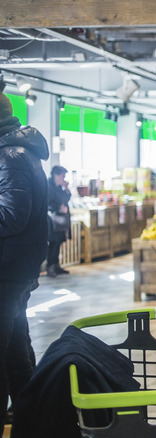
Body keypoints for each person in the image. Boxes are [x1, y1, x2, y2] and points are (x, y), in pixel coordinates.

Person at [0, 92, 49, 428]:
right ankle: (31, 415)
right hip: (17, 267)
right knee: (14, 344)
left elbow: (13, 215)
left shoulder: (11, 155)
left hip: (7, 268)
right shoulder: (19, 150)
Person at [46, 165, 71, 277]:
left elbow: (66, 198)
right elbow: (47, 202)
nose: (63, 178)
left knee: (58, 242)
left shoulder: (60, 187)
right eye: (62, 176)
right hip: (52, 219)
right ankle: (50, 267)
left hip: (61, 219)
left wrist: (66, 188)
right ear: (56, 175)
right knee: (53, 243)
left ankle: (56, 265)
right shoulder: (48, 186)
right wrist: (57, 208)